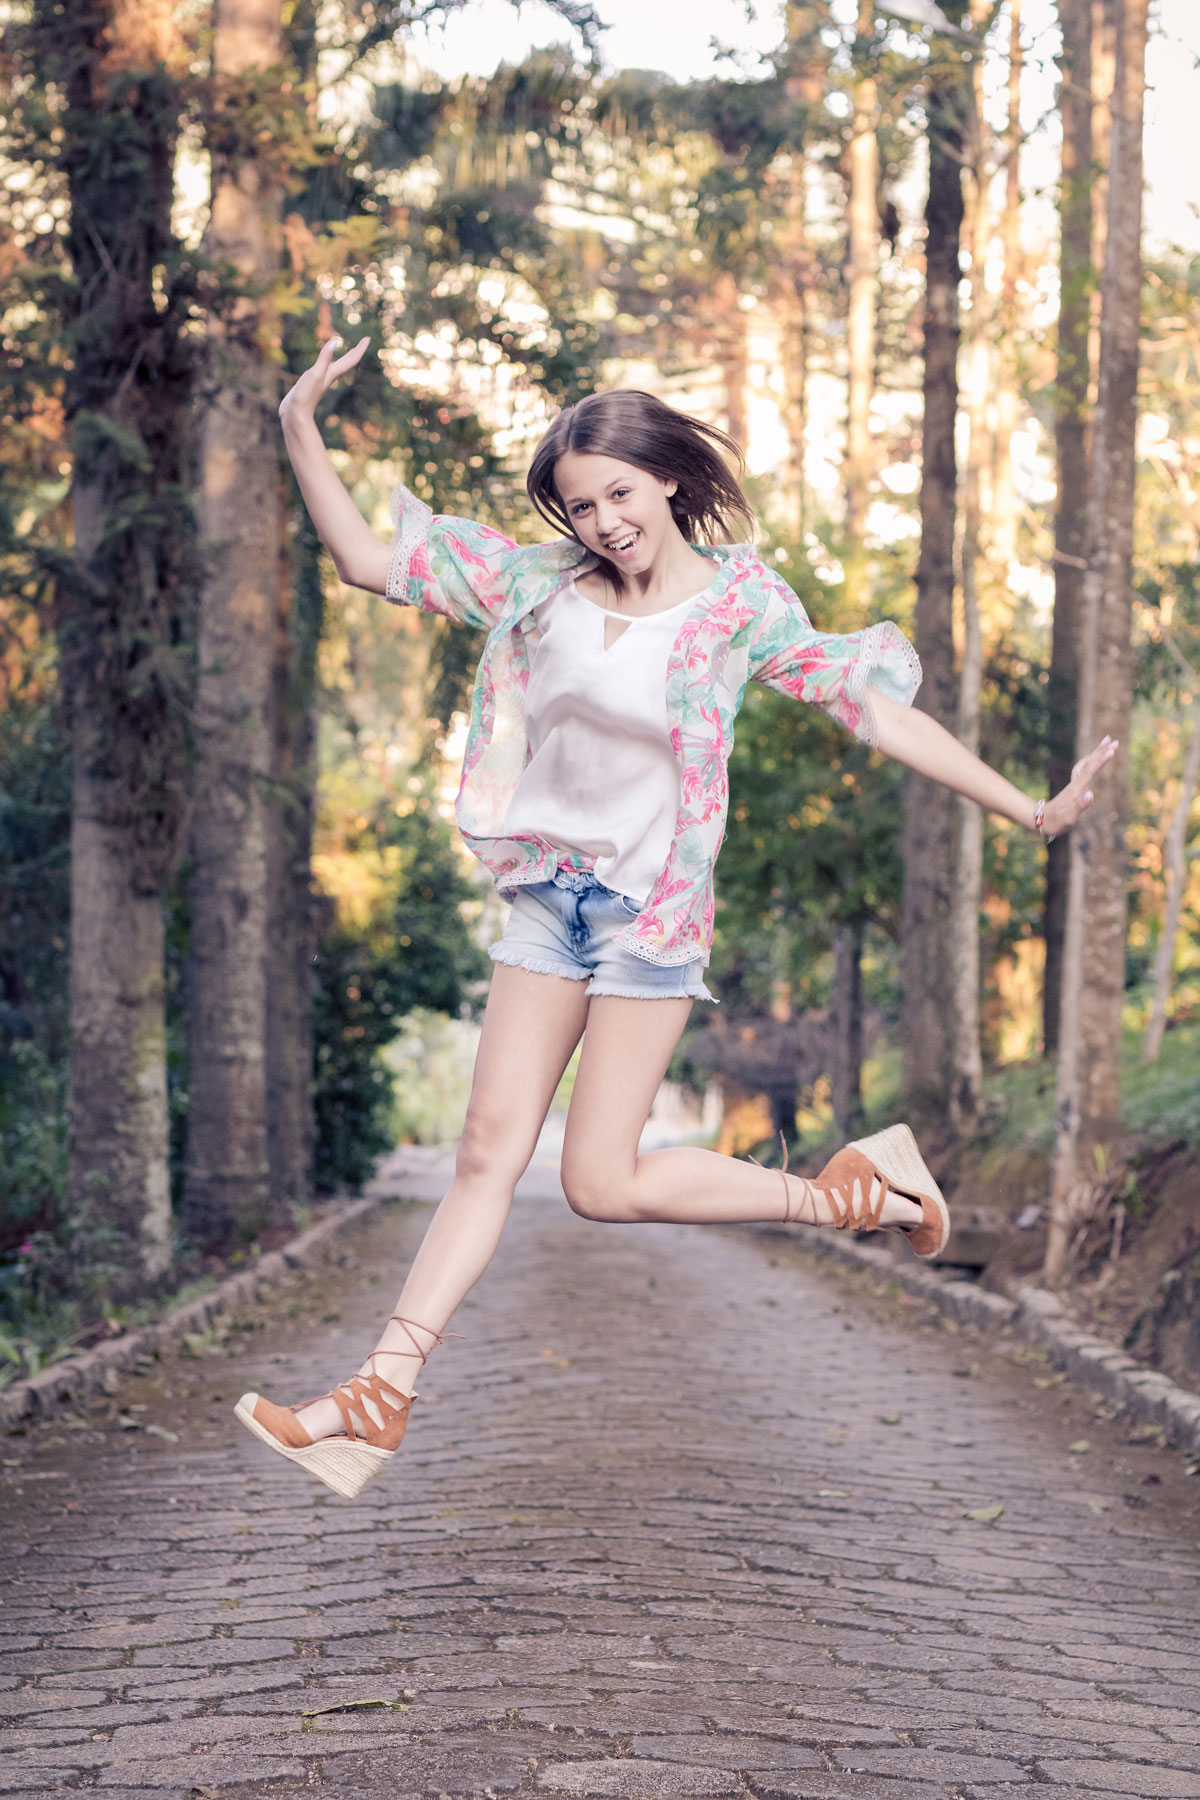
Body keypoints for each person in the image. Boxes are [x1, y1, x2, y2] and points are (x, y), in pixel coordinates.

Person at [236, 336, 1116, 1500]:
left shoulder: (742, 604)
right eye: (579, 503)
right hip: (550, 899)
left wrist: (1030, 808)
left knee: (602, 1181)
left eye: (618, 493)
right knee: (487, 1155)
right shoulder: (537, 584)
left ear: (668, 481)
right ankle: (376, 1399)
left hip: (651, 917)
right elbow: (361, 557)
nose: (603, 521)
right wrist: (300, 425)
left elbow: (874, 711)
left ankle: (857, 1193)